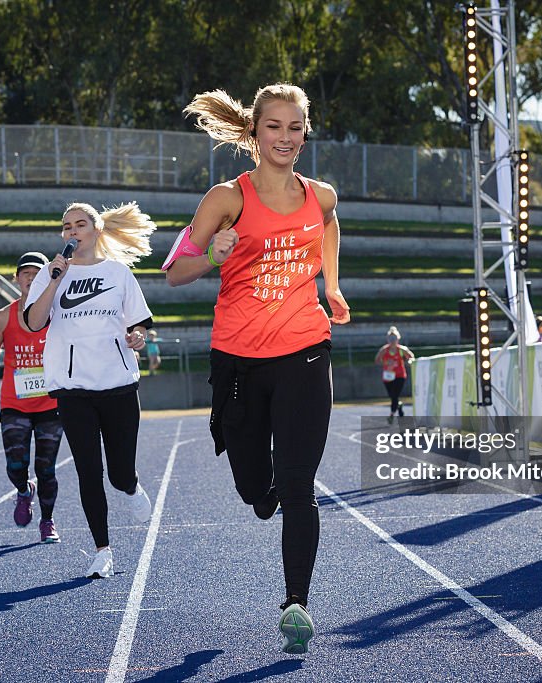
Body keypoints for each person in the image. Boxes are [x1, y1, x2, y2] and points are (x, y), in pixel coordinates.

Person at [167, 83, 350, 654]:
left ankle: (296, 603)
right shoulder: (226, 198)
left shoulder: (319, 196)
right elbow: (175, 273)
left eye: (296, 127)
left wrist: (333, 287)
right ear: (254, 132)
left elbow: (329, 225)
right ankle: (260, 488)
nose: (287, 138)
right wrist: (212, 257)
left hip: (304, 353)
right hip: (240, 361)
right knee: (254, 486)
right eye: (275, 126)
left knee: (299, 487)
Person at [25, 202, 156, 577]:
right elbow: (35, 322)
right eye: (66, 226)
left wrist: (138, 337)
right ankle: (102, 550)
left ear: (96, 230)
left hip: (117, 384)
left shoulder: (118, 273)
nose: (72, 231)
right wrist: (53, 280)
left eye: (80, 224)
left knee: (118, 471)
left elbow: (140, 325)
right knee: (88, 470)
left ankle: (130, 487)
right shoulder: (50, 275)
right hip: (72, 388)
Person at [0, 252, 65, 544]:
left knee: (47, 467)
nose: (30, 277)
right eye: (24, 273)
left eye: (35, 273)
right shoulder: (4, 316)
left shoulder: (58, 314)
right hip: (15, 402)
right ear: (16, 279)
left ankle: (48, 520)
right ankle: (24, 490)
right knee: (16, 465)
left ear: (45, 277)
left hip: (51, 403)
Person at [375, 326, 415, 424]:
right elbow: (377, 360)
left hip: (400, 375)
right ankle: (399, 405)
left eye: (394, 338)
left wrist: (408, 360)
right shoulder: (384, 350)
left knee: (394, 395)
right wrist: (386, 363)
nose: (393, 341)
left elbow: (411, 356)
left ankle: (391, 415)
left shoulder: (402, 349)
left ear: (398, 339)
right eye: (391, 339)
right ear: (388, 339)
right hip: (388, 377)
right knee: (392, 396)